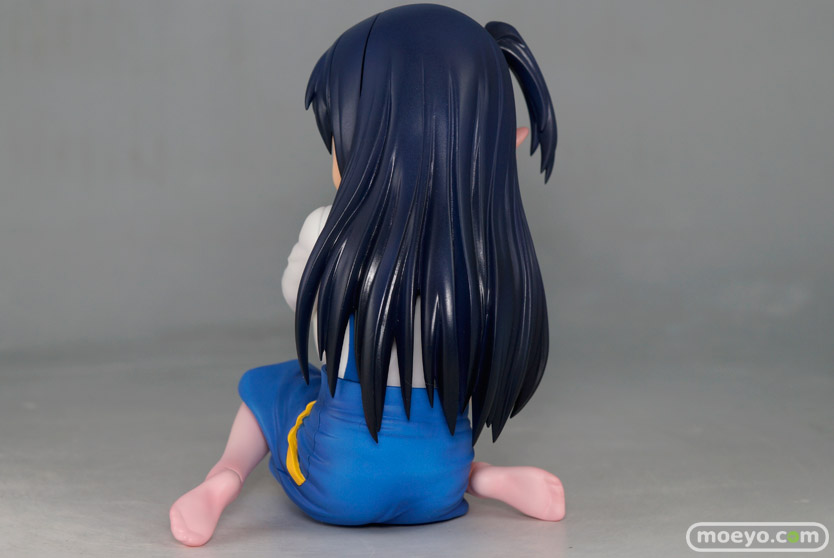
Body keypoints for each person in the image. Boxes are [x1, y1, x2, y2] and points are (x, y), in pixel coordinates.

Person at [169, 5, 564, 546]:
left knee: (273, 385)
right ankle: (480, 477)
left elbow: (298, 298)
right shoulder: (489, 253)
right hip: (440, 483)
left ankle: (223, 479)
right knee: (432, 422)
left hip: (339, 483)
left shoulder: (325, 230)